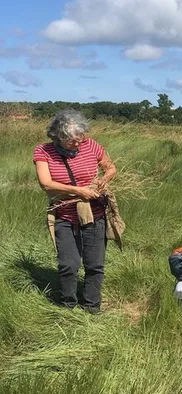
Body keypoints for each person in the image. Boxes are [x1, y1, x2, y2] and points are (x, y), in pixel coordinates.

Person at [34, 109, 117, 313]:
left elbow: (111, 168)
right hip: (65, 216)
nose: (78, 143)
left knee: (95, 264)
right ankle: (68, 305)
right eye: (72, 140)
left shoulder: (91, 145)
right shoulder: (43, 151)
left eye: (80, 138)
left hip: (94, 214)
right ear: (58, 137)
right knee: (68, 265)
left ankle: (92, 306)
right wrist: (78, 191)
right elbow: (46, 183)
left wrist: (102, 181)